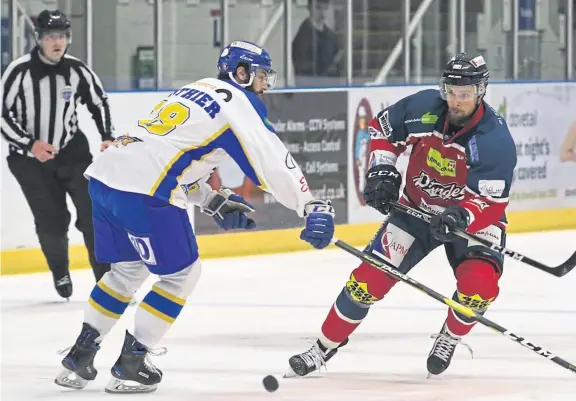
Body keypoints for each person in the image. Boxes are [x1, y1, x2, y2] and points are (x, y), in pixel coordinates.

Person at [54, 40, 336, 394]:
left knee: (126, 271)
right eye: (262, 76)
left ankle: (81, 354)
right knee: (182, 274)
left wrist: (212, 200)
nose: (265, 86)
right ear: (242, 73)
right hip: (144, 192)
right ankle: (132, 362)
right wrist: (309, 204)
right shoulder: (238, 102)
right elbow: (271, 159)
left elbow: (169, 157)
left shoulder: (193, 89)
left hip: (105, 179)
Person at [286, 53, 517, 378]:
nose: (456, 100)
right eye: (451, 91)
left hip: (472, 223)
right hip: (414, 211)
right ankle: (323, 346)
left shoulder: (493, 141)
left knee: (478, 288)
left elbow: (490, 203)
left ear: (481, 91)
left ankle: (450, 336)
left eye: (464, 93)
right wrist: (381, 168)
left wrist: (461, 217)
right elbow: (382, 128)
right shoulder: (425, 108)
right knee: (365, 283)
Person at [1, 9, 113, 299]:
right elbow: (2, 114)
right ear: (38, 38)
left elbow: (97, 101)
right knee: (52, 221)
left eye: (62, 35)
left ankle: (106, 281)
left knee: (93, 215)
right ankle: (60, 271)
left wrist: (108, 136)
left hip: (72, 153)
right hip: (30, 161)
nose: (57, 42)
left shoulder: (76, 69)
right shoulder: (18, 71)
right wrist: (30, 144)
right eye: (51, 36)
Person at [292, 0, 341, 81]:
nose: (322, 12)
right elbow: (302, 69)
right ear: (309, 8)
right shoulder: (302, 37)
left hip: (331, 85)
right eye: (318, 8)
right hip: (312, 86)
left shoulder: (332, 36)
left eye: (325, 8)